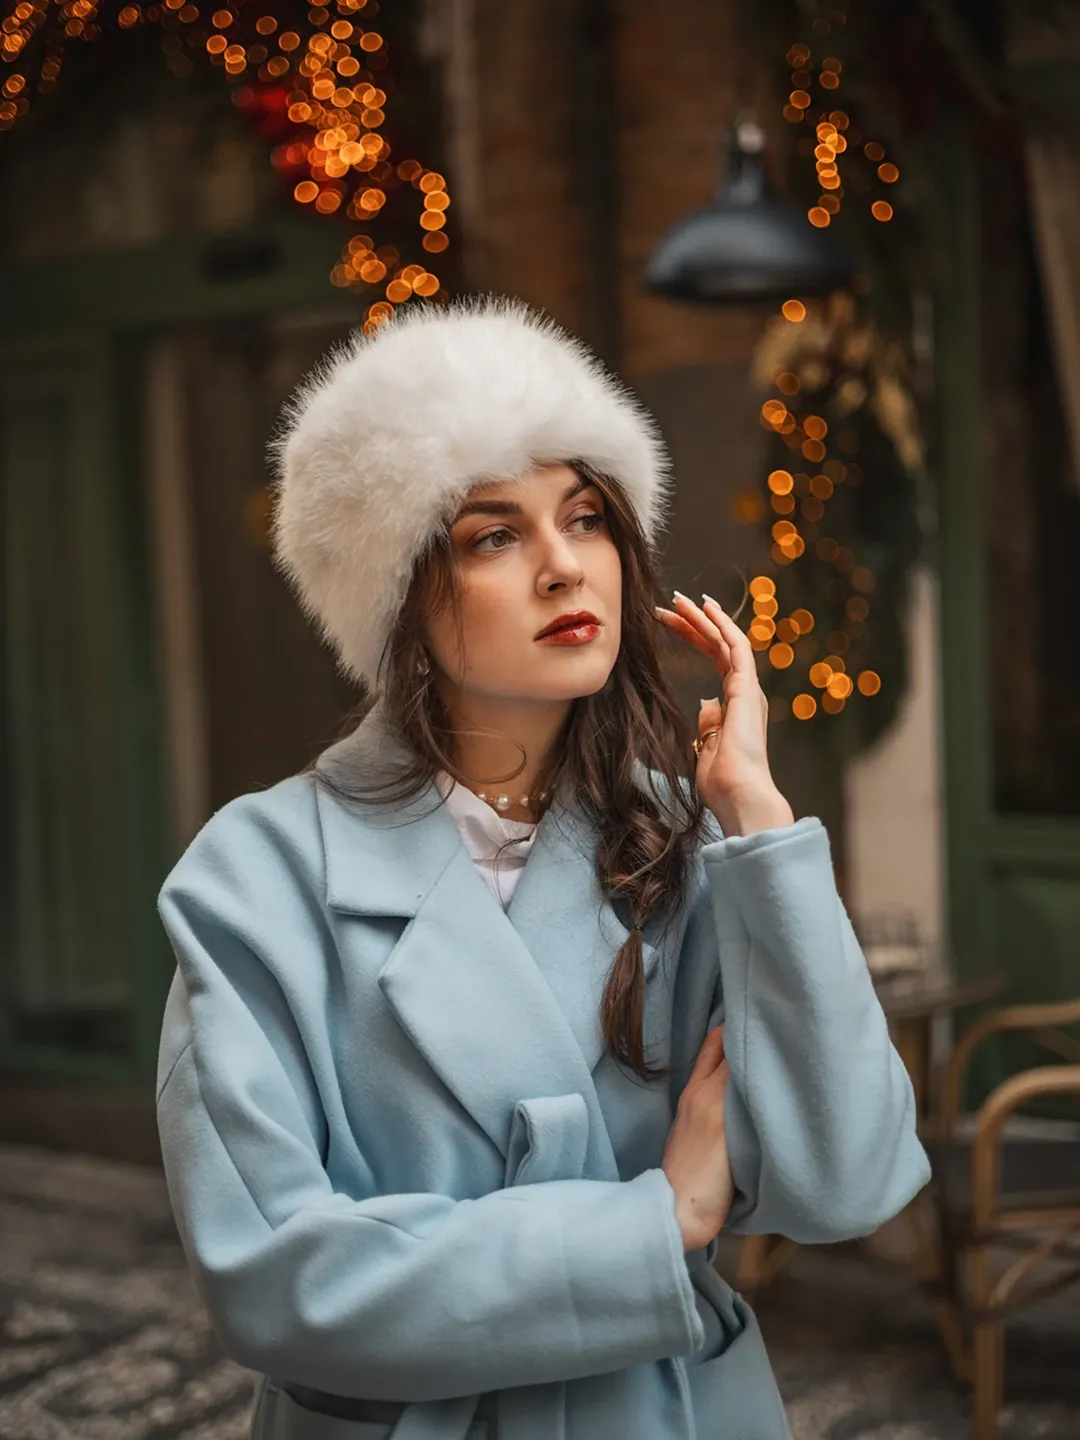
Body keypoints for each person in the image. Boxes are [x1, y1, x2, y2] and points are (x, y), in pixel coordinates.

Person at [155, 295, 930, 1440]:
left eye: (586, 518)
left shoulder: (685, 843)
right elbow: (273, 1280)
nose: (567, 568)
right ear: (398, 593)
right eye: (494, 536)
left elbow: (850, 1181)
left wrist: (760, 825)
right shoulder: (256, 880)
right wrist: (655, 1225)